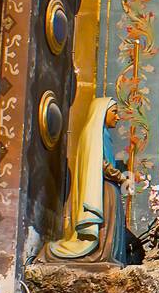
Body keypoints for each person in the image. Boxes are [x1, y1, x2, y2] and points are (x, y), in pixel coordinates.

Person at [45, 97, 129, 264]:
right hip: (102, 189)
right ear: (102, 113)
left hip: (106, 186)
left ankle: (106, 256)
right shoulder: (95, 133)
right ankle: (101, 255)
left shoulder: (99, 132)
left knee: (109, 230)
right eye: (114, 113)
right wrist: (120, 177)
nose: (117, 117)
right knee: (106, 229)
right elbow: (101, 163)